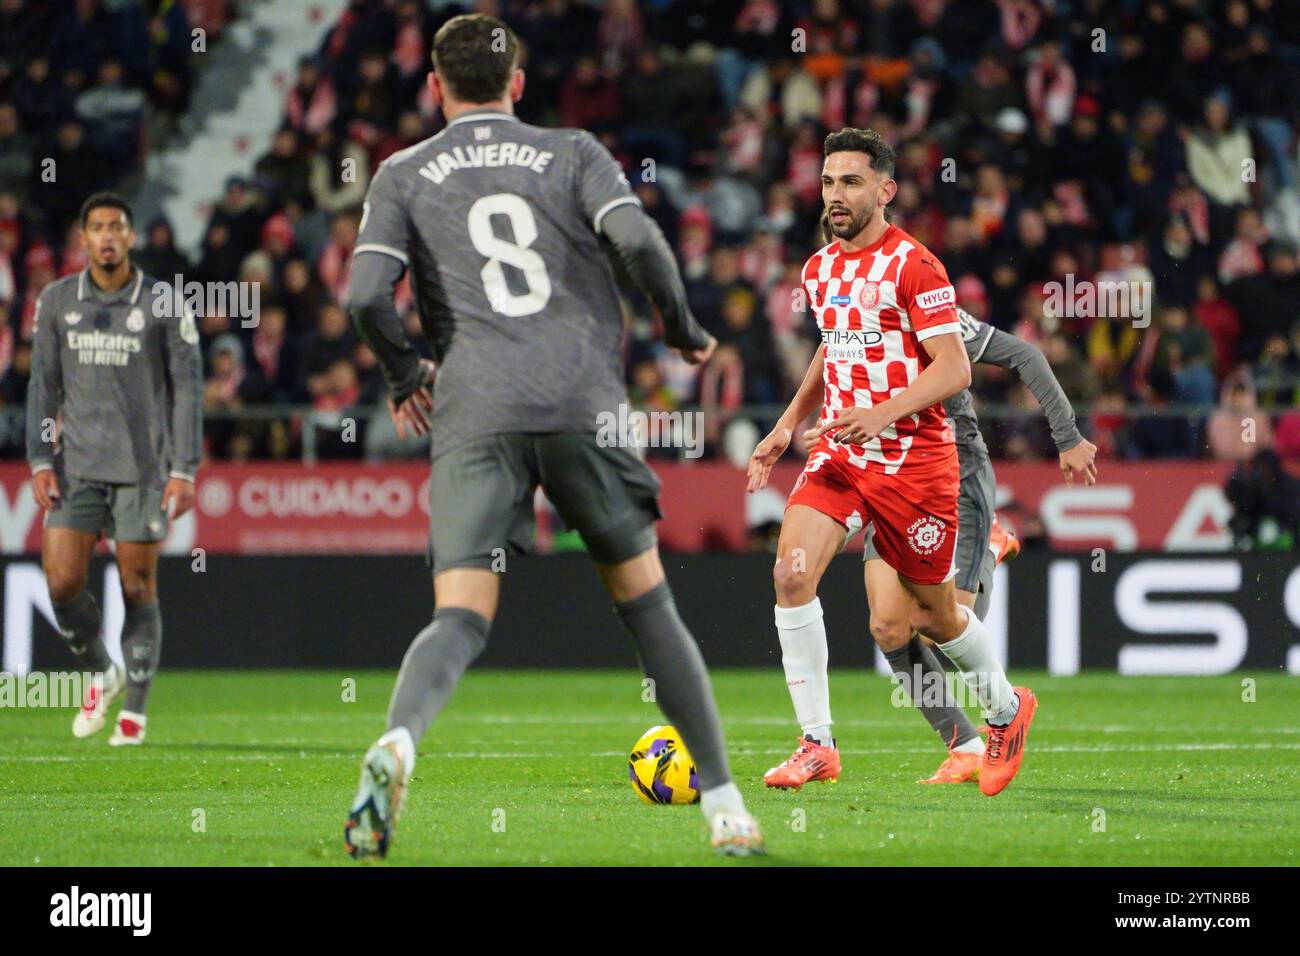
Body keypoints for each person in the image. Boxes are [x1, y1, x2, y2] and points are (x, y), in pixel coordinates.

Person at [342, 13, 763, 859]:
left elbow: (361, 297)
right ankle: (723, 806)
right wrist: (680, 328)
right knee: (647, 607)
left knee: (459, 618)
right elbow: (640, 240)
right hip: (580, 401)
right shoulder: (572, 151)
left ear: (436, 87)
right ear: (519, 85)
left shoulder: (403, 171)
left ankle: (396, 744)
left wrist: (403, 374)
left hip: (474, 407)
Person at [747, 127, 1038, 799]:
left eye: (850, 182)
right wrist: (788, 422)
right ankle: (817, 744)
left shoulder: (916, 266)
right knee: (791, 576)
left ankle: (1004, 710)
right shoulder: (820, 268)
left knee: (932, 619)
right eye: (827, 182)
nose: (835, 195)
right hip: (842, 454)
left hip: (916, 463)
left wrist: (881, 413)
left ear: (886, 189)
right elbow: (834, 349)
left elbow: (955, 367)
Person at [26, 191, 202, 746]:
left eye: (116, 227)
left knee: (136, 584)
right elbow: (42, 386)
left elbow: (188, 388)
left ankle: (136, 715)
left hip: (141, 470)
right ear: (83, 238)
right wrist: (39, 457)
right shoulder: (56, 301)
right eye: (97, 227)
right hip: (76, 468)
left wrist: (185, 468)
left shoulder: (165, 301)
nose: (106, 236)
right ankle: (104, 671)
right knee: (61, 581)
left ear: (130, 237)